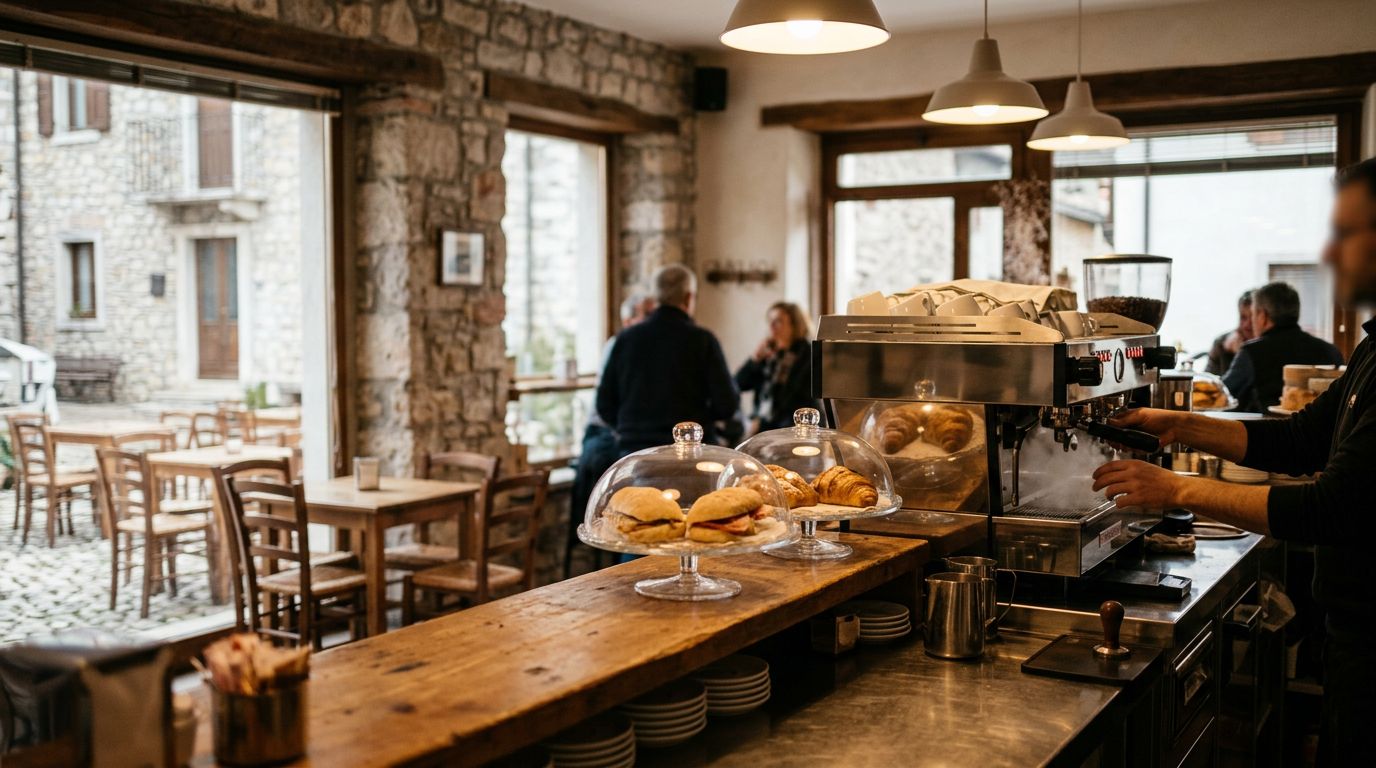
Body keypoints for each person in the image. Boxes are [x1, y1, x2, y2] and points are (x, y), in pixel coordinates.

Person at [1090, 157, 1376, 767]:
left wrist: (1175, 489)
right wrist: (1181, 424)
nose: (1330, 254)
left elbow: (1332, 506)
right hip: (1352, 634)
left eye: (1347, 234)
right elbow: (1300, 440)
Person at [596, 264, 739, 455]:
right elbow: (727, 404)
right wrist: (699, 420)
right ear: (689, 297)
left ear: (656, 298)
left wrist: (632, 430)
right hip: (689, 455)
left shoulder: (625, 339)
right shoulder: (702, 340)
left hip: (635, 453)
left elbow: (604, 404)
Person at [566, 292, 656, 576]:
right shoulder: (621, 344)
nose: (652, 321)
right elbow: (607, 406)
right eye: (647, 314)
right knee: (635, 500)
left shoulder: (646, 347)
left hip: (628, 437)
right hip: (606, 435)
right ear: (629, 319)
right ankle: (627, 571)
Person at [1221, 281, 1343, 412]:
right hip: (1324, 431)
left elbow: (1221, 393)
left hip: (1268, 430)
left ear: (1263, 316)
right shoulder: (1331, 351)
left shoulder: (1252, 352)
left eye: (1253, 314)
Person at [735, 302, 820, 433]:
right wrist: (754, 359)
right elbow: (738, 384)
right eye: (770, 321)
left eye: (778, 321)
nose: (771, 326)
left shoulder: (809, 354)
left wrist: (762, 424)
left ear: (794, 325)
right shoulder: (769, 354)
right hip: (763, 426)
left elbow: (795, 397)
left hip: (796, 427)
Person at [1204, 290, 1254, 375]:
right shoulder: (1221, 343)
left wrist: (1241, 355)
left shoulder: (1266, 343)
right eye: (1243, 317)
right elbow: (1209, 381)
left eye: (1252, 317)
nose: (1247, 324)